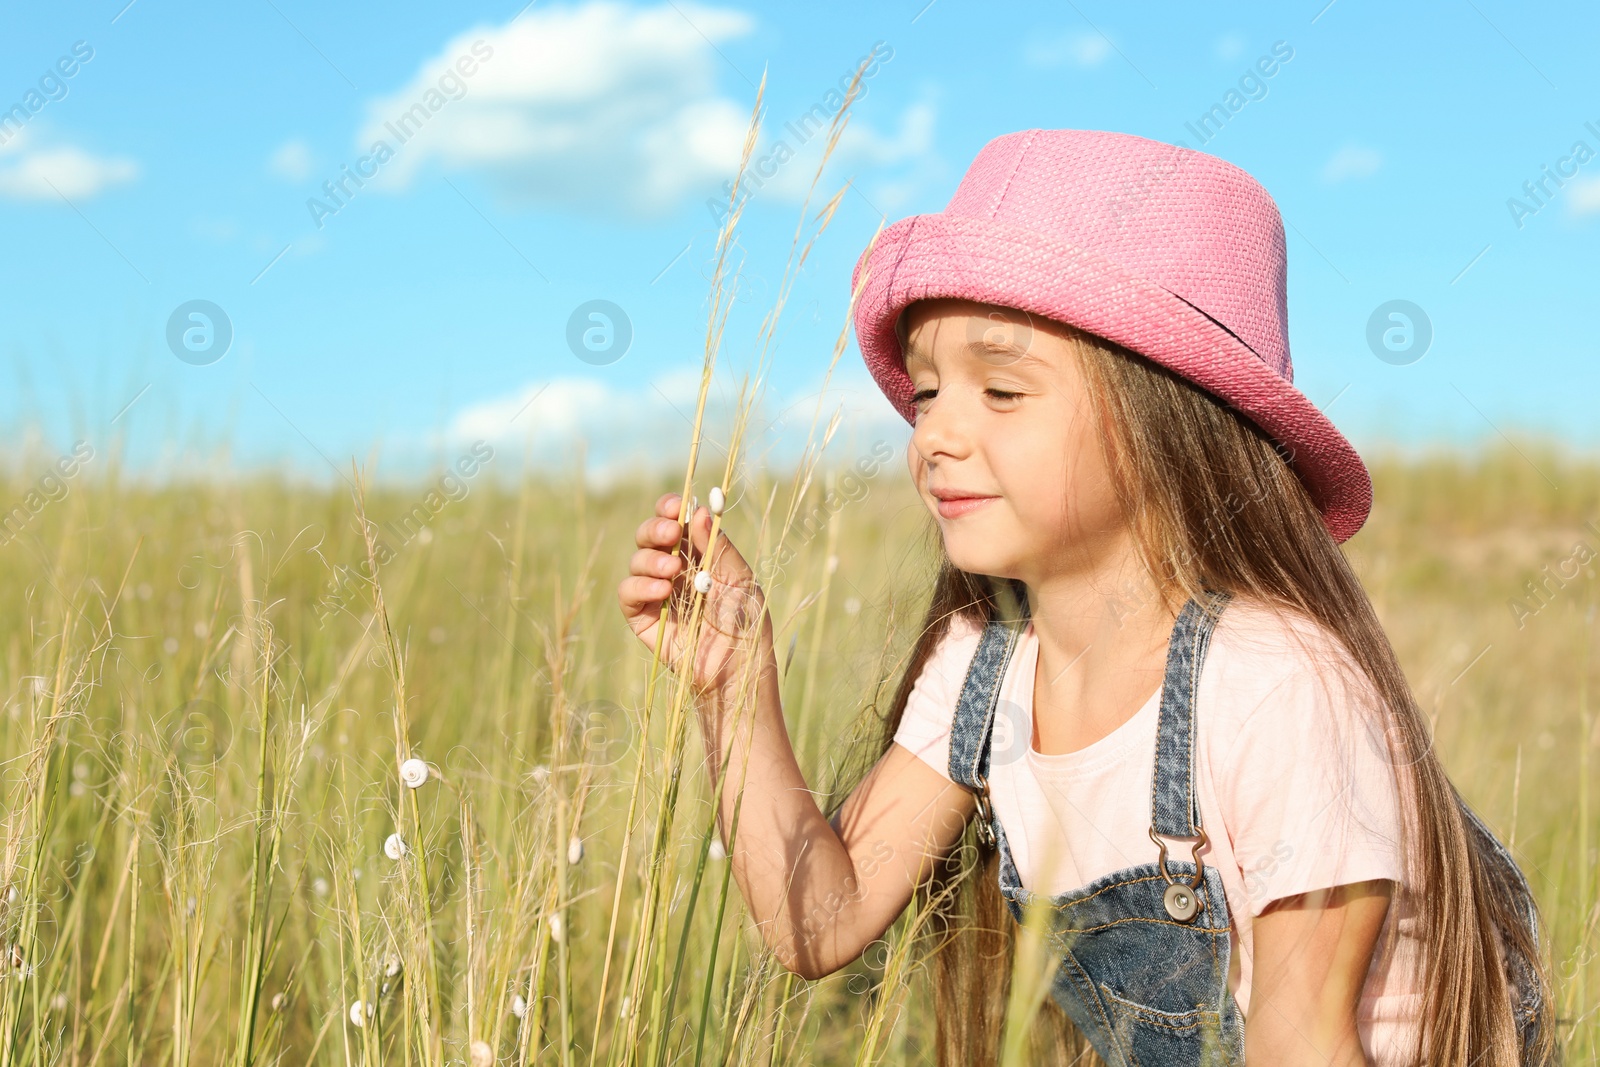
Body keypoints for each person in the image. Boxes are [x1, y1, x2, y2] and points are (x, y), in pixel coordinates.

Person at [617, 128, 1556, 1066]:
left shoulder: (1273, 684)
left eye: (1002, 390)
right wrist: (735, 687)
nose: (934, 433)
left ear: (1163, 411)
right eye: (932, 389)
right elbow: (820, 920)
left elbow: (1301, 1043)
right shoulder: (986, 670)